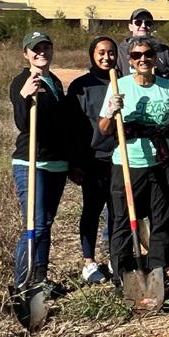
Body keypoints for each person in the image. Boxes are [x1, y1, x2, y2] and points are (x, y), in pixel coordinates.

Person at [98, 38, 169, 304]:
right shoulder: (119, 85)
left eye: (148, 54)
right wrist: (111, 111)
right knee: (122, 220)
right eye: (136, 55)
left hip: (161, 161)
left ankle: (158, 271)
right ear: (130, 60)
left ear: (155, 58)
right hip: (128, 162)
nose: (143, 59)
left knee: (161, 220)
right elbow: (104, 129)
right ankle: (122, 273)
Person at [9, 31, 68, 295]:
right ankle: (23, 285)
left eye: (46, 47)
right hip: (32, 162)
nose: (41, 52)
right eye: (35, 49)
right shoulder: (21, 81)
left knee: (46, 223)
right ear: (26, 54)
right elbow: (23, 124)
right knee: (35, 223)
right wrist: (24, 96)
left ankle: (40, 279)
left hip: (56, 164)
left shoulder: (54, 81)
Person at [66, 36, 118, 284]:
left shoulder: (122, 82)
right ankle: (89, 261)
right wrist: (74, 163)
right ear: (92, 55)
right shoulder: (81, 86)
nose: (106, 57)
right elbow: (72, 128)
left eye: (111, 52)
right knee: (92, 210)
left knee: (117, 211)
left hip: (120, 157)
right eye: (101, 52)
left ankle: (115, 257)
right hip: (93, 159)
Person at [116, 9, 169, 86]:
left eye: (148, 23)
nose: (143, 26)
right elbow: (114, 77)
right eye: (138, 22)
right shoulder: (120, 51)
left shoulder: (164, 51)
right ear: (130, 26)